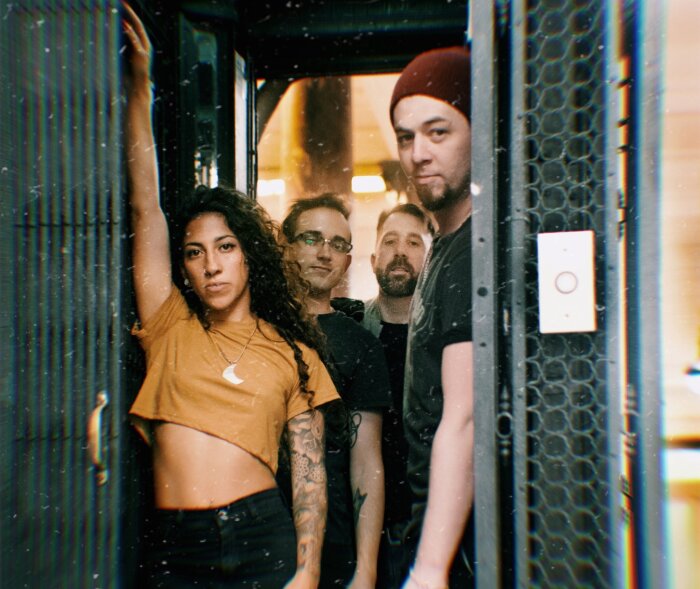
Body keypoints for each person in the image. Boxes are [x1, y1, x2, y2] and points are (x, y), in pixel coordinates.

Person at [122, 6, 339, 588]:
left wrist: (308, 571)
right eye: (194, 253)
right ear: (184, 267)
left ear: (249, 256)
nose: (211, 265)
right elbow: (146, 209)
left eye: (225, 247)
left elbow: (310, 478)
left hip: (261, 534)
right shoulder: (169, 324)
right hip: (177, 544)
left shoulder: (294, 354)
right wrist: (139, 92)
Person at [390, 47, 475, 589]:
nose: (419, 153)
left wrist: (429, 570)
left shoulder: (471, 253)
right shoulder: (444, 244)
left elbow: (464, 419)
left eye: (438, 132)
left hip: (459, 553)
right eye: (405, 137)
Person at [280, 194, 392, 588]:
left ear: (347, 260)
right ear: (286, 247)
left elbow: (366, 463)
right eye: (312, 238)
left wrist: (366, 570)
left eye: (338, 244)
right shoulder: (256, 328)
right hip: (256, 537)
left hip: (333, 543)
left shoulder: (362, 345)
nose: (325, 253)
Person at [362, 204, 434, 589]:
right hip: (365, 532)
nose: (401, 252)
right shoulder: (353, 330)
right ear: (374, 259)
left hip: (428, 528)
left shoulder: (444, 340)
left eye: (413, 242)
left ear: (430, 259)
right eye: (390, 242)